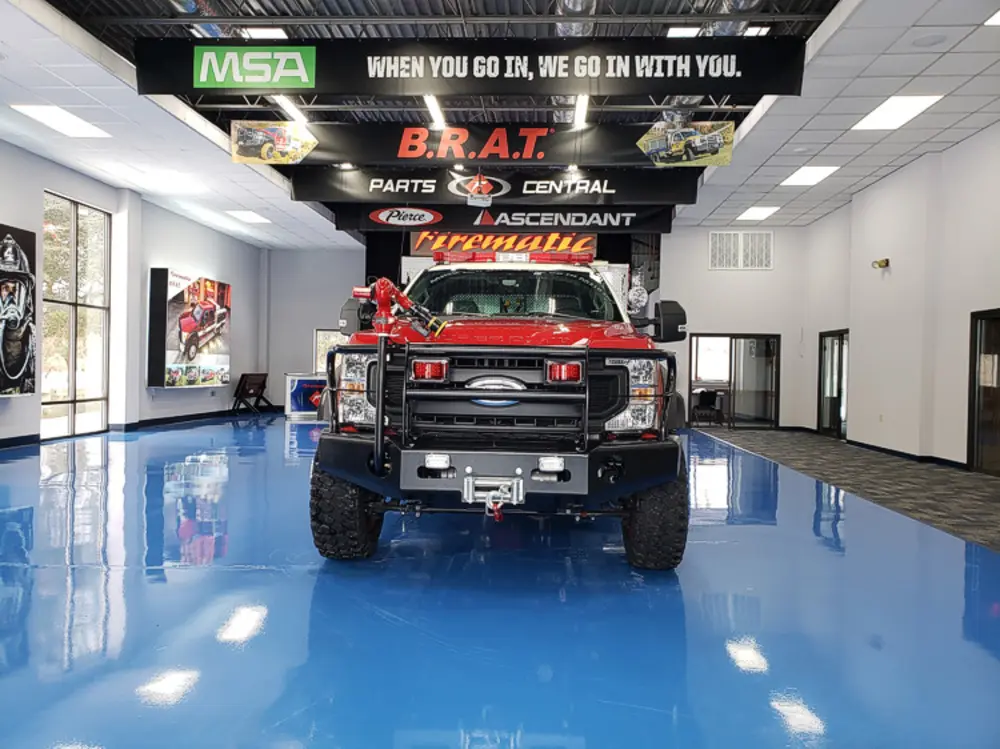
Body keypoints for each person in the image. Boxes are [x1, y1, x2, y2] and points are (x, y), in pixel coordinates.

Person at [0, 235, 34, 395]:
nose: (12, 297)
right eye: (5, 288)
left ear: (27, 296)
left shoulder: (32, 338)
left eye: (17, 288)